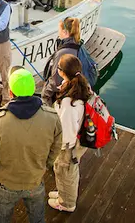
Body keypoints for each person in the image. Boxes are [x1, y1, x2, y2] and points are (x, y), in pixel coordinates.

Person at [0, 67, 62, 223]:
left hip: (5, 183)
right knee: (37, 219)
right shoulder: (52, 118)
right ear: (33, 90)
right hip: (35, 180)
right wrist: (46, 165)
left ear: (11, 93)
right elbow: (57, 146)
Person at [49, 54, 92, 212]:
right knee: (65, 171)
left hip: (70, 144)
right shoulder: (83, 86)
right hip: (80, 137)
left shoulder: (69, 103)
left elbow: (66, 132)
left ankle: (67, 204)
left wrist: (57, 147)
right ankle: (63, 193)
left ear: (61, 72)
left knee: (65, 171)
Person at [41, 17, 81, 107]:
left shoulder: (62, 53)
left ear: (65, 32)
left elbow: (56, 80)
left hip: (63, 96)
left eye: (59, 29)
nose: (58, 32)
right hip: (75, 92)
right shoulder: (78, 45)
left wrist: (45, 94)